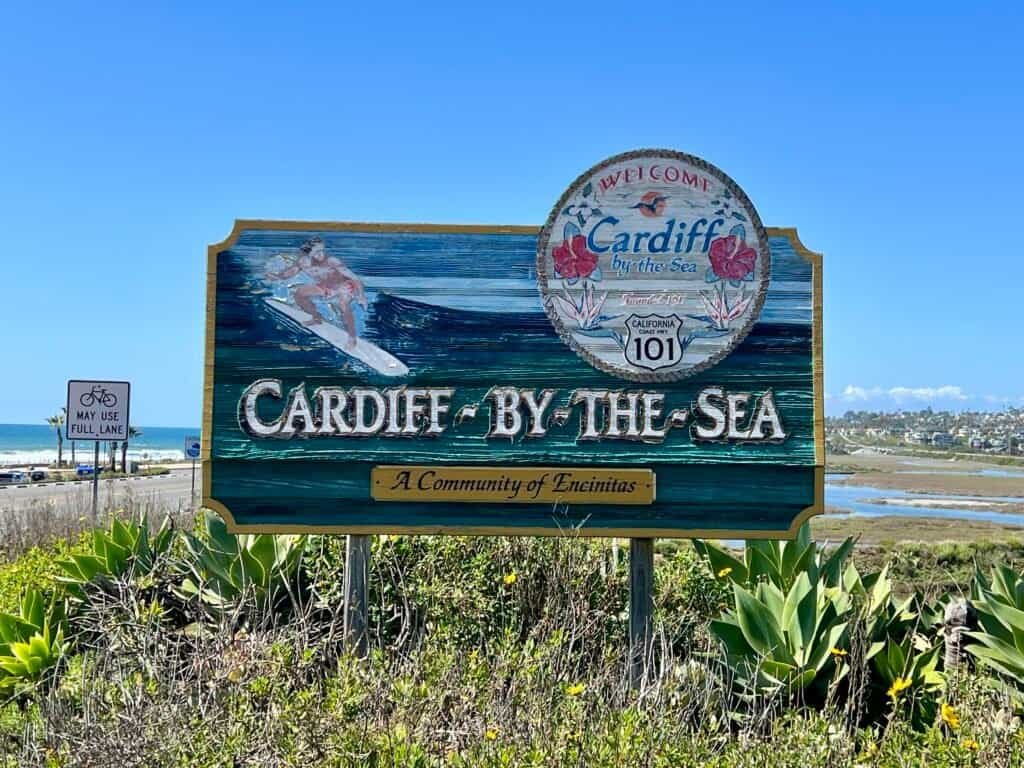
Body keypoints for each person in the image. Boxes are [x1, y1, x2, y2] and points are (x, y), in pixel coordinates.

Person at [266, 237, 368, 347]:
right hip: (325, 287)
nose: (321, 254)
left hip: (343, 286)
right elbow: (291, 272)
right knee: (299, 294)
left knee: (343, 305)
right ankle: (316, 317)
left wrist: (361, 296)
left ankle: (352, 338)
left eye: (322, 250)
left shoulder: (332, 261)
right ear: (308, 254)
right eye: (317, 252)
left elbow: (354, 278)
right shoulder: (304, 262)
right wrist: (278, 276)